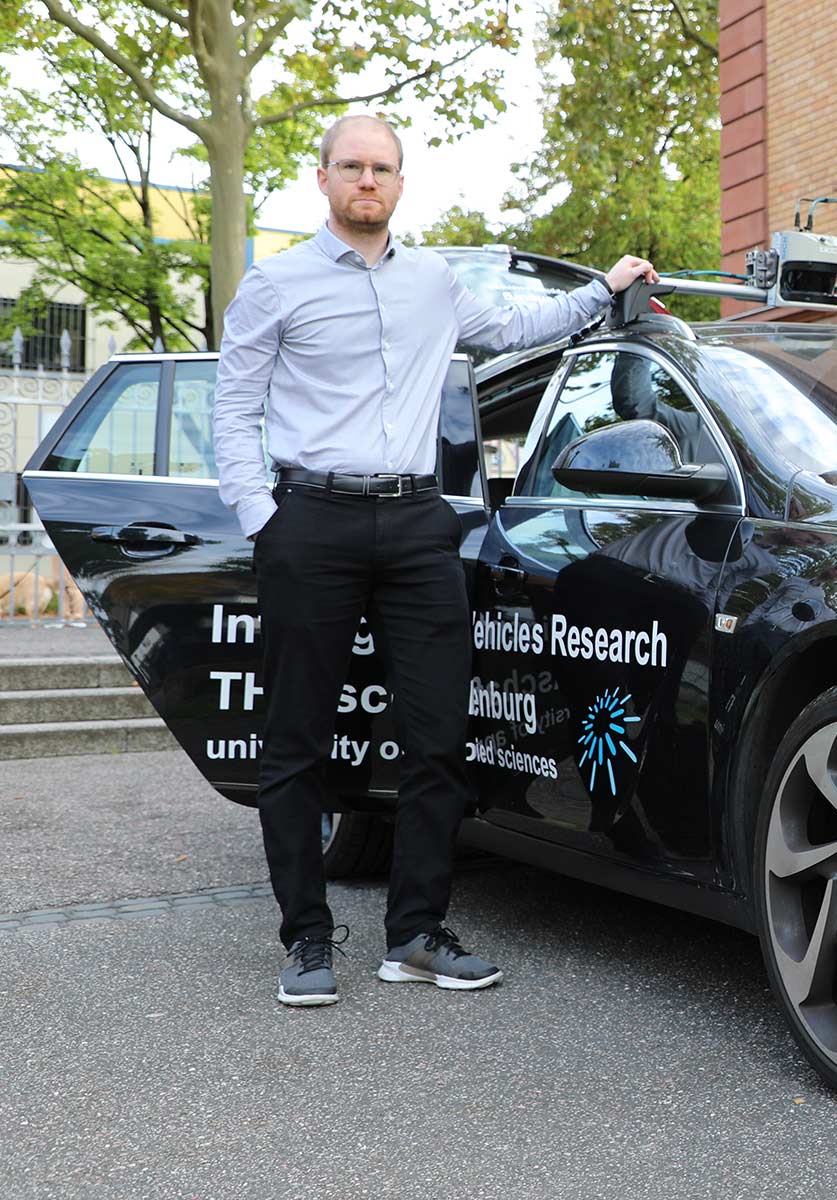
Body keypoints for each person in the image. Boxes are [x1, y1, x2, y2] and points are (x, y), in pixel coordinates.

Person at [212, 113, 660, 1007]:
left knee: (437, 739)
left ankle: (414, 935)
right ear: (324, 177)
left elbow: (519, 327)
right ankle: (305, 940)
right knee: (296, 741)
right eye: (352, 167)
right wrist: (265, 519)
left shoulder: (432, 281)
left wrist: (606, 289)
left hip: (417, 523)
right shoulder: (276, 283)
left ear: (401, 183)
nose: (367, 181)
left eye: (382, 168)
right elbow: (233, 409)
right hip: (312, 521)